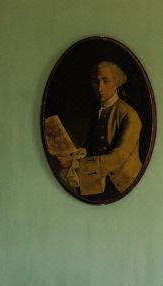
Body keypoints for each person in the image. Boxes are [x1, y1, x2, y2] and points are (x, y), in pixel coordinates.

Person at [55, 60, 143, 197]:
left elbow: (118, 157)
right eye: (96, 82)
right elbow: (91, 148)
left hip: (125, 186)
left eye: (106, 81)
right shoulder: (97, 112)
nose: (100, 88)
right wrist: (73, 157)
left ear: (116, 82)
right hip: (97, 184)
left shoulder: (129, 115)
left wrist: (79, 165)